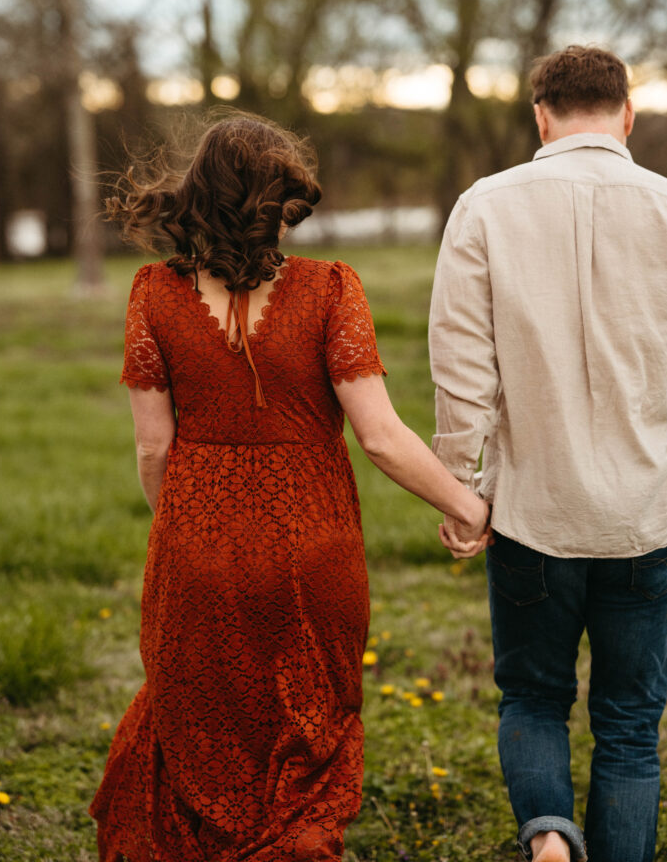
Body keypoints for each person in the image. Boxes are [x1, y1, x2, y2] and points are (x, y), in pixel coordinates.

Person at [90, 110, 489, 862]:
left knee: (204, 716)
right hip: (313, 547)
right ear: (282, 203)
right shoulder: (331, 289)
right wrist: (466, 506)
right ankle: (292, 841)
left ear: (199, 195)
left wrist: (184, 526)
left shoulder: (151, 294)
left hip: (196, 546)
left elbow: (152, 448)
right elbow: (379, 435)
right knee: (308, 718)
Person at [429, 45, 667, 862]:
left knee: (531, 699)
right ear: (626, 114)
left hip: (531, 510)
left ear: (540, 115)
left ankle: (548, 845)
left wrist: (459, 488)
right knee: (631, 723)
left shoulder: (485, 206)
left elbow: (461, 366)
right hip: (646, 516)